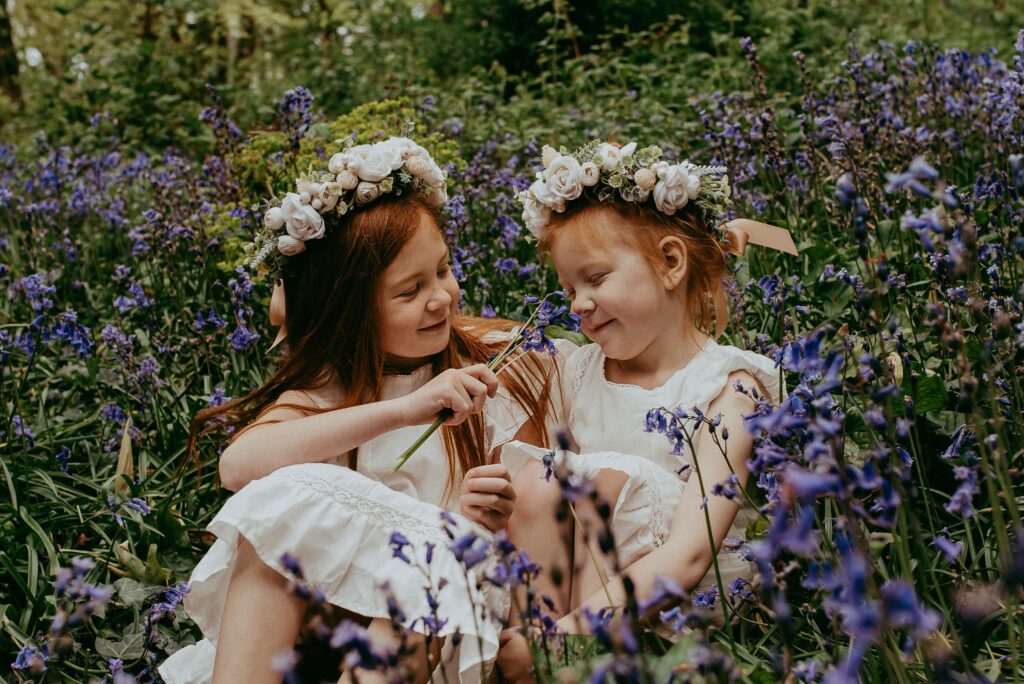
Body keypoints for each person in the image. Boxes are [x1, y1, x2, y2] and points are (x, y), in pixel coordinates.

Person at [158, 136, 558, 684]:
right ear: (350, 311)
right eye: (409, 290)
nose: (441, 297)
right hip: (332, 623)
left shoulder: (494, 361)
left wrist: (482, 511)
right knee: (279, 520)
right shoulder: (332, 389)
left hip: (443, 612)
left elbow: (538, 506)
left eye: (442, 270)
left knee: (406, 595)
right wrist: (405, 409)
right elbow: (240, 467)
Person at [497, 140, 795, 679]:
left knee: (610, 479)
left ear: (671, 263)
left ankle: (560, 659)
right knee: (537, 480)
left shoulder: (729, 389)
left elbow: (689, 555)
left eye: (596, 278)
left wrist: (562, 638)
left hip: (685, 612)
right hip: (571, 598)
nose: (577, 304)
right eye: (567, 289)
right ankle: (536, 658)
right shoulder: (575, 374)